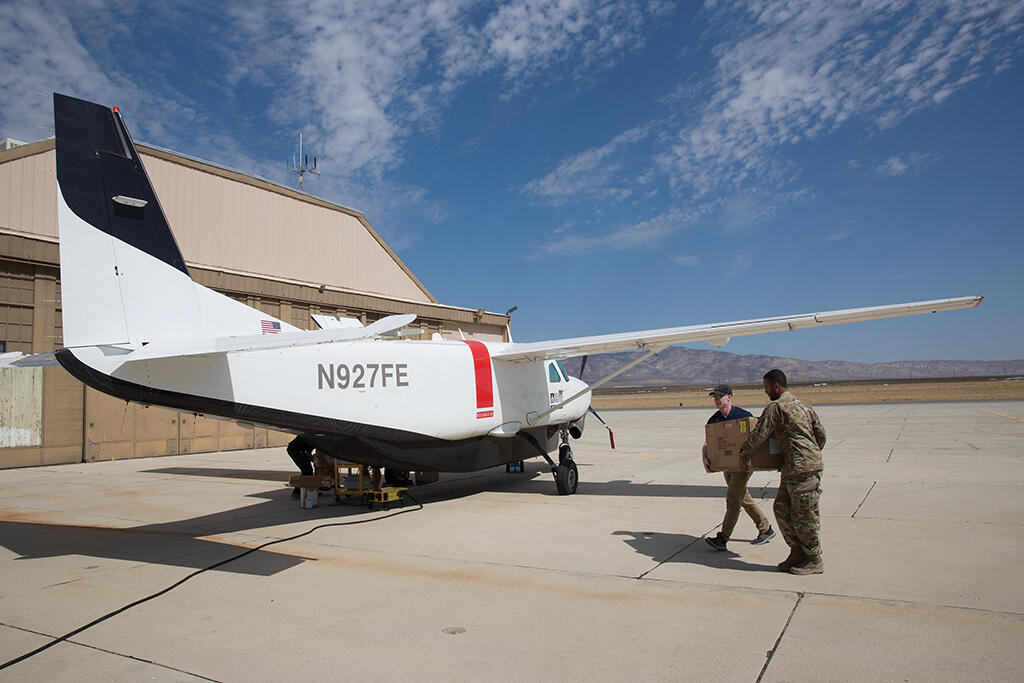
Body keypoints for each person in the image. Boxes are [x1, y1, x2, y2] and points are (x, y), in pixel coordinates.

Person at [740, 369, 826, 575]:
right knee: (781, 507)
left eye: (766, 387)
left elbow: (759, 435)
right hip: (795, 467)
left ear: (776, 386)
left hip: (802, 468)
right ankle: (797, 552)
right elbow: (821, 435)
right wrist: (812, 454)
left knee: (804, 514)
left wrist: (742, 455)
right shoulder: (804, 405)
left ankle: (814, 559)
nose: (765, 391)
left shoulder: (776, 408)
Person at [702, 384, 775, 551]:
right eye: (714, 398)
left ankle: (723, 538)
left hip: (742, 465)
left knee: (733, 499)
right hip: (727, 466)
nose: (716, 400)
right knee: (743, 498)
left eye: (719, 397)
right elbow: (708, 442)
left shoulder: (743, 417)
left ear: (729, 397)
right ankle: (766, 528)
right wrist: (704, 456)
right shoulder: (715, 420)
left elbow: (756, 438)